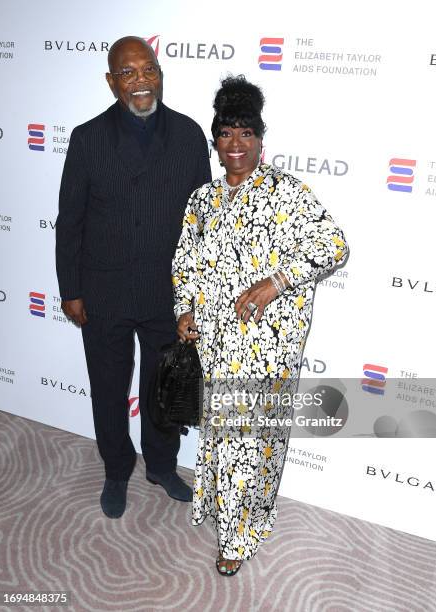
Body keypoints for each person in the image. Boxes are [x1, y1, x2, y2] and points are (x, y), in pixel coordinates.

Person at [172, 75, 348, 575]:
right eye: (226, 133)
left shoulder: (285, 192)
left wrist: (275, 283)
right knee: (223, 436)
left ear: (261, 139)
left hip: (265, 347)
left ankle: (240, 534)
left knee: (253, 442)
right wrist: (184, 308)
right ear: (215, 140)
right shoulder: (201, 200)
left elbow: (333, 246)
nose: (235, 145)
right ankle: (220, 507)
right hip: (214, 341)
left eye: (245, 133)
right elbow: (184, 261)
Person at [55, 36, 211, 518]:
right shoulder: (87, 138)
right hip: (103, 294)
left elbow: (203, 221)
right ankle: (116, 469)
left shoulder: (188, 134)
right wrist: (71, 290)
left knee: (164, 388)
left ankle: (162, 465)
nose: (140, 80)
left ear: (160, 74)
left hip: (168, 294)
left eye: (149, 70)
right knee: (107, 386)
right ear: (111, 81)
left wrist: (197, 293)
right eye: (128, 73)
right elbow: (71, 220)